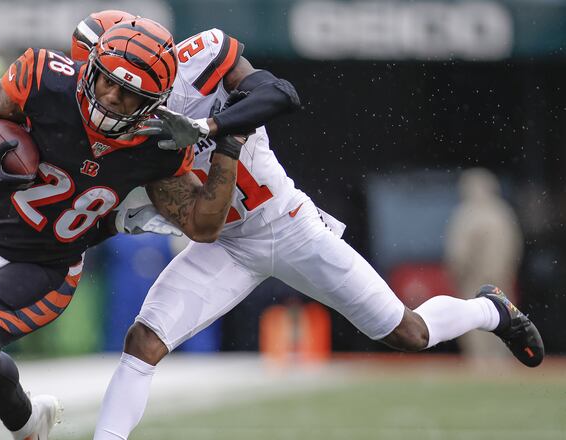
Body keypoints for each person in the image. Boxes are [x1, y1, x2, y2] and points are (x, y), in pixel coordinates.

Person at [70, 11, 546, 440]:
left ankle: (490, 310)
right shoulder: (116, 134)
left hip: (286, 223)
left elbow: (280, 93)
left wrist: (214, 129)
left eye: (123, 86)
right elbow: (178, 221)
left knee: (408, 333)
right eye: (101, 80)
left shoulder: (203, 57)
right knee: (144, 341)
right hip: (223, 243)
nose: (108, 98)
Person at [0, 18, 247, 440]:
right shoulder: (47, 83)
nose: (111, 98)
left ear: (154, 102)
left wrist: (229, 144)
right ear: (91, 67)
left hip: (48, 267)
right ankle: (28, 423)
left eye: (130, 94)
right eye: (106, 82)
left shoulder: (157, 147)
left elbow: (203, 226)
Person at [445, 168, 524, 361]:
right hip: (501, 280)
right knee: (504, 325)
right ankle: (502, 369)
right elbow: (516, 246)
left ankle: (480, 370)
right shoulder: (503, 213)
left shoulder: (467, 214)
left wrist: (457, 274)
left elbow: (459, 253)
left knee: (476, 329)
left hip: (475, 281)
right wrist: (506, 271)